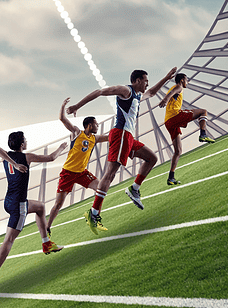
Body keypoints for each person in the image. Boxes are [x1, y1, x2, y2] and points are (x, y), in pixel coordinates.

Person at [66, 67, 175, 233]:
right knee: (110, 174)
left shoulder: (139, 95)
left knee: (152, 158)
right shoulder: (126, 91)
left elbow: (152, 92)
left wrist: (167, 77)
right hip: (121, 134)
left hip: (128, 137)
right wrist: (77, 106)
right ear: (137, 81)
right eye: (145, 80)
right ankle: (94, 213)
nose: (147, 84)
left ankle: (134, 189)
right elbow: (100, 91)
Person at [0, 130, 67, 295]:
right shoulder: (26, 157)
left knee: (40, 207)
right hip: (18, 205)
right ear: (22, 144)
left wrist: (12, 163)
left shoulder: (7, 156)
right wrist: (62, 147)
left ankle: (46, 243)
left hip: (8, 201)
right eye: (25, 140)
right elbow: (51, 157)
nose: (27, 141)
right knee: (9, 240)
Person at [45, 96, 110, 236]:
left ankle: (94, 217)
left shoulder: (95, 138)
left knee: (101, 188)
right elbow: (62, 119)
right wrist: (63, 105)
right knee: (58, 204)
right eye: (96, 124)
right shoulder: (77, 133)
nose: (98, 126)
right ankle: (47, 227)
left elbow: (111, 137)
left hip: (81, 173)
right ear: (89, 125)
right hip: (68, 173)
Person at [158, 72, 215, 185]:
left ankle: (171, 178)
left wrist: (166, 99)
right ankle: (203, 134)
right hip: (175, 116)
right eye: (187, 80)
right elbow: (173, 93)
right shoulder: (178, 87)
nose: (187, 82)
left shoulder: (174, 87)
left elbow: (172, 94)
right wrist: (165, 100)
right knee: (203, 112)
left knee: (178, 151)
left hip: (168, 122)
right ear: (182, 80)